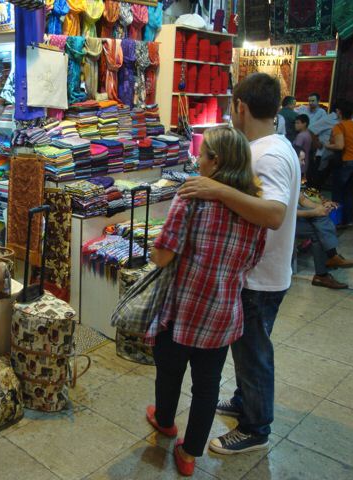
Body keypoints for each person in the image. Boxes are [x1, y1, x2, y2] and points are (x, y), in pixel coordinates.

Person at [178, 72, 301, 455]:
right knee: (248, 350)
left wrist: (218, 188)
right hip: (264, 271)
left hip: (261, 278)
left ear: (241, 107)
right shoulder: (273, 147)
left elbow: (274, 214)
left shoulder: (268, 155)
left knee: (254, 354)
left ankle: (255, 427)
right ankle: (244, 401)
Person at [144, 127, 267, 476]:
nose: (198, 160)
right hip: (223, 311)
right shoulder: (254, 207)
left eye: (203, 154)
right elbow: (253, 259)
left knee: (169, 371)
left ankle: (166, 422)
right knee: (208, 385)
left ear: (216, 161)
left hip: (182, 308)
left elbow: (164, 255)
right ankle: (190, 454)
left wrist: (155, 249)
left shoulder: (191, 197)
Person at [296, 192, 353, 289]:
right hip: (280, 222)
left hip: (295, 217)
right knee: (319, 229)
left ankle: (325, 270)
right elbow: (284, 212)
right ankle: (328, 263)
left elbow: (302, 200)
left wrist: (321, 207)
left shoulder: (291, 177)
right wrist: (314, 212)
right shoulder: (274, 180)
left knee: (320, 220)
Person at [325, 100, 353, 228]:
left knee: (337, 192)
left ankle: (336, 221)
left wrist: (327, 145)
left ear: (339, 112)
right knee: (348, 192)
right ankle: (348, 220)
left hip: (345, 162)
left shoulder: (339, 126)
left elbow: (340, 145)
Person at [307, 104, 340, 188]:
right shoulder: (330, 118)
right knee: (316, 182)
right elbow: (311, 129)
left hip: (333, 155)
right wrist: (317, 144)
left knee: (321, 181)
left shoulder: (344, 121)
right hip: (322, 155)